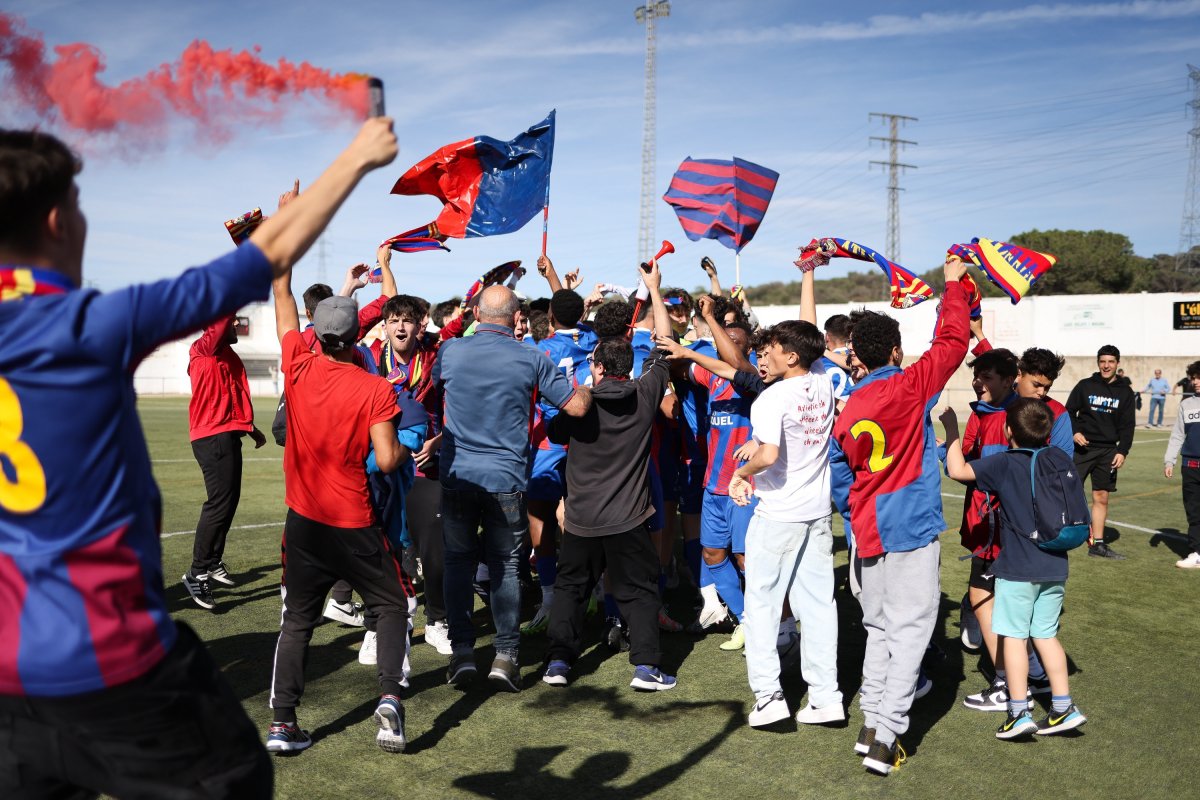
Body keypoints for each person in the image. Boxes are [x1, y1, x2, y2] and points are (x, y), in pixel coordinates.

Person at [0, 119, 397, 797]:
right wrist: (358, 157)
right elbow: (253, 265)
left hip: (9, 679)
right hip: (110, 665)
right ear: (59, 220)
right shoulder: (91, 321)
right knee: (235, 779)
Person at [830, 254, 970, 776]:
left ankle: (870, 723)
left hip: (866, 529)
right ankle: (887, 736)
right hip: (909, 525)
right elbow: (952, 343)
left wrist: (855, 509)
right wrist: (953, 286)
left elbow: (838, 474)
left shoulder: (848, 407)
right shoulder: (910, 387)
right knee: (909, 630)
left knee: (879, 628)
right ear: (894, 351)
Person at [266, 281, 416, 754]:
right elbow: (387, 459)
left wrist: (276, 265)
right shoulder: (374, 387)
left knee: (297, 621)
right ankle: (389, 697)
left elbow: (283, 301)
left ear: (316, 333)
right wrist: (410, 450)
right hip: (353, 521)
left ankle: (282, 723)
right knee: (392, 605)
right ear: (358, 337)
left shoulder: (297, 364)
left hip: (304, 522)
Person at [433, 284, 592, 692]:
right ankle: (505, 656)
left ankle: (462, 652)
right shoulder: (530, 356)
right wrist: (590, 383)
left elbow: (436, 393)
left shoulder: (451, 351)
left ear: (476, 314)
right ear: (517, 317)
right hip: (505, 478)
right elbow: (576, 406)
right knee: (505, 565)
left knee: (458, 563)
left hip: (459, 475)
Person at [541, 260, 677, 691]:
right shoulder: (645, 393)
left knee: (571, 590)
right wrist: (655, 290)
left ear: (596, 367)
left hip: (582, 519)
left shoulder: (581, 404)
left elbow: (553, 431)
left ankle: (558, 663)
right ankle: (646, 667)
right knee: (640, 590)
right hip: (628, 519)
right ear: (628, 368)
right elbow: (665, 345)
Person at [943, 398, 1087, 739]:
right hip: (1055, 563)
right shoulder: (1058, 457)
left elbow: (958, 470)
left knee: (1013, 638)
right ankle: (1063, 707)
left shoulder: (1005, 463)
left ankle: (1019, 712)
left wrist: (951, 431)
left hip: (1018, 567)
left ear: (1009, 430)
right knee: (1046, 635)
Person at [729, 319, 843, 728]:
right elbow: (808, 332)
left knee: (761, 607)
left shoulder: (771, 398)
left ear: (792, 356)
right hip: (817, 513)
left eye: (771, 349)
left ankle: (769, 696)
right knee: (819, 607)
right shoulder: (822, 381)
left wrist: (740, 475)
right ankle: (826, 697)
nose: (763, 355)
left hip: (778, 515)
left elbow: (768, 454)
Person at [182, 313, 267, 609]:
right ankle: (196, 572)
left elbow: (230, 396)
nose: (236, 324)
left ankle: (212, 561)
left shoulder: (226, 353)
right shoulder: (205, 347)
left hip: (227, 433)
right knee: (218, 504)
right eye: (231, 320)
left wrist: (249, 428)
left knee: (229, 502)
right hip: (212, 436)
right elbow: (219, 321)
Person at [1065, 345, 1136, 560]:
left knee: (1101, 497)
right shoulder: (1085, 386)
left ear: (1117, 363)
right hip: (1082, 449)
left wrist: (1122, 451)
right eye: (1103, 361)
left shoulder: (1125, 392)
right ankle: (1059, 536)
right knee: (1067, 492)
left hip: (1108, 451)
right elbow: (1069, 411)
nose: (1106, 366)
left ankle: (1097, 544)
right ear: (1098, 363)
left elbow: (1128, 425)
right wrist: (1075, 432)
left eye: (1110, 362)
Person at [1163, 361, 1200, 569]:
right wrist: (1170, 460)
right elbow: (1177, 434)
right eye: (1194, 378)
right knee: (1194, 512)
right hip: (1190, 466)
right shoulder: (1186, 404)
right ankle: (1196, 553)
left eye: (1199, 378)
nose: (1196, 382)